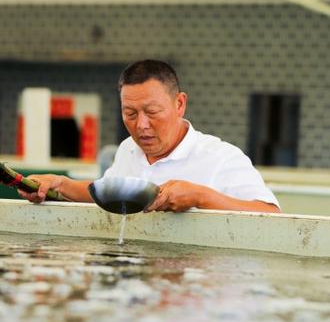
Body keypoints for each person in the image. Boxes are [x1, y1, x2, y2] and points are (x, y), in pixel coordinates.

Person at [18, 60, 280, 213]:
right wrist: (59, 184)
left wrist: (203, 197)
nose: (141, 125)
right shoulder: (127, 150)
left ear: (179, 104)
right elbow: (108, 192)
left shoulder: (221, 157)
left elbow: (273, 215)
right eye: (130, 113)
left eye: (152, 112)